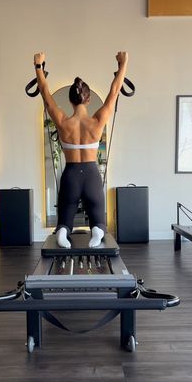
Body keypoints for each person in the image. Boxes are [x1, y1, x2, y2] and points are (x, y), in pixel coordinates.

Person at [34, 51, 128, 248]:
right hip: (92, 175)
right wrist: (123, 64)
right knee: (98, 221)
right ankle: (97, 231)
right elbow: (115, 90)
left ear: (71, 100)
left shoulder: (62, 121)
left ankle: (62, 232)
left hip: (71, 174)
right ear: (88, 99)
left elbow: (45, 93)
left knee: (64, 219)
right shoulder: (97, 120)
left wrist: (38, 67)